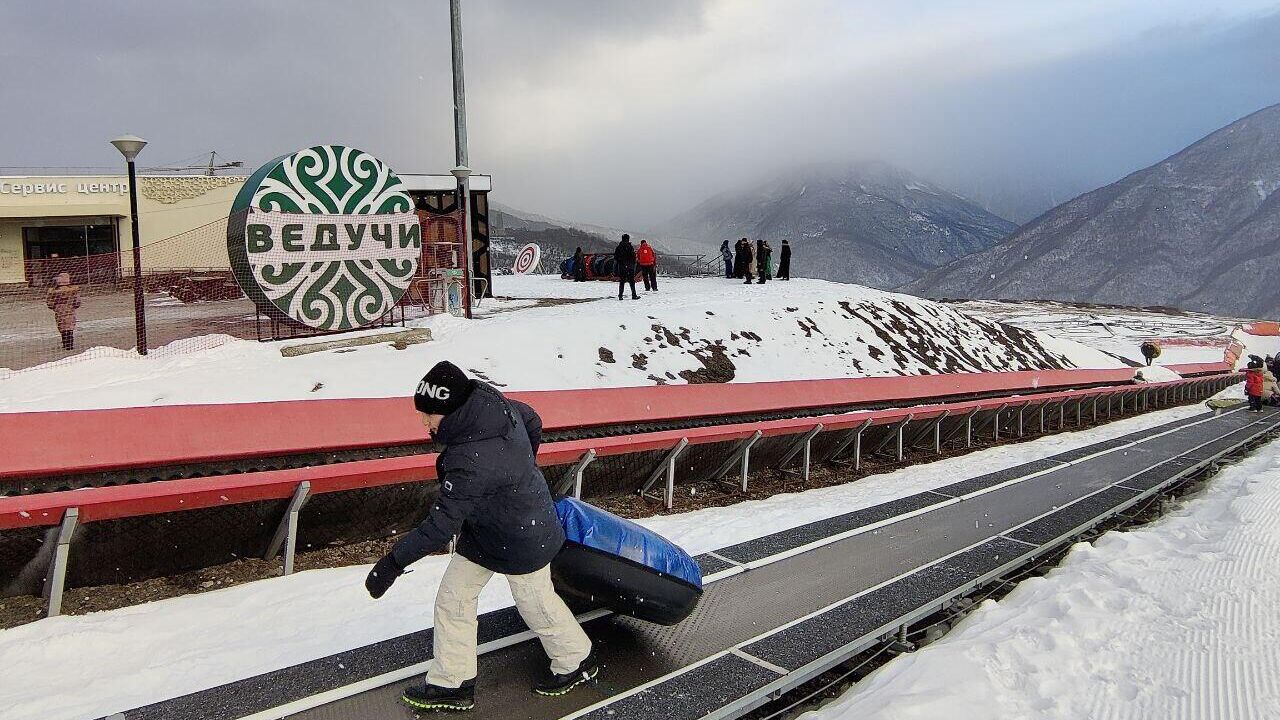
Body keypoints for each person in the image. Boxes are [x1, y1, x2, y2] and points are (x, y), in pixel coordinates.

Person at [365, 361, 597, 711]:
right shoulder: (490, 407)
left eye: (429, 415)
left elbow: (440, 527)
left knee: (536, 604)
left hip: (522, 534)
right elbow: (531, 417)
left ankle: (577, 660)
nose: (423, 422)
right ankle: (452, 682)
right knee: (453, 598)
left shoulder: (472, 459)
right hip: (488, 529)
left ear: (452, 411)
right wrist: (521, 468)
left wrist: (392, 563)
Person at [46, 272, 81, 350]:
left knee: (62, 327)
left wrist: (55, 307)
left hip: (59, 311)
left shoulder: (53, 292)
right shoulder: (73, 290)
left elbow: (49, 303)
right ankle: (70, 344)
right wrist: (73, 306)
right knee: (69, 327)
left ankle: (65, 343)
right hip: (70, 310)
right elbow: (77, 301)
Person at [613, 233, 639, 300]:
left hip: (622, 266)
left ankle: (620, 295)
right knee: (631, 281)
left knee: (622, 281)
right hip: (630, 267)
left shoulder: (619, 247)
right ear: (628, 239)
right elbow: (633, 257)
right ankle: (634, 295)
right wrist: (632, 264)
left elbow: (615, 257)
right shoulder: (630, 247)